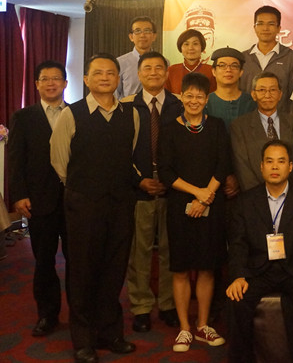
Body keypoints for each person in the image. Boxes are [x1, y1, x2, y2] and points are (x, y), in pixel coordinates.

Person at [50, 53, 140, 363]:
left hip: (120, 204)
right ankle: (83, 339)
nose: (105, 77)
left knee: (114, 269)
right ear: (86, 79)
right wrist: (84, 186)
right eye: (98, 73)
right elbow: (60, 161)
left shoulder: (131, 115)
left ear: (118, 78)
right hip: (83, 204)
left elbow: (129, 155)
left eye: (111, 73)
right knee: (82, 271)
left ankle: (110, 332)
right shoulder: (71, 114)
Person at [226, 139, 293, 363]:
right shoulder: (245, 201)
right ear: (261, 167)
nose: (275, 167)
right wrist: (238, 276)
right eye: (269, 162)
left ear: (290, 167)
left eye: (281, 161)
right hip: (258, 271)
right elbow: (238, 243)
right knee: (236, 300)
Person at [158, 73, 230, 352]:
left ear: (207, 99)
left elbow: (223, 165)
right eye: (189, 95)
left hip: (212, 204)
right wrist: (196, 193)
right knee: (180, 268)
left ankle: (202, 325)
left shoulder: (217, 126)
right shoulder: (169, 129)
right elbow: (166, 172)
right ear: (181, 97)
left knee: (207, 267)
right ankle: (185, 328)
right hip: (180, 206)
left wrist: (207, 195)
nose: (194, 100)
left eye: (199, 96)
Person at [122, 51, 182, 332]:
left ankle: (169, 304)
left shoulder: (179, 106)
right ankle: (142, 306)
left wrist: (171, 180)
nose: (154, 72)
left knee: (172, 249)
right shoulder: (127, 107)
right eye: (148, 68)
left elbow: (186, 149)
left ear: (167, 73)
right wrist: (140, 180)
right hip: (139, 188)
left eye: (159, 68)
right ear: (139, 73)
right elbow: (120, 151)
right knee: (140, 250)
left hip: (173, 189)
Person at [9, 60, 69, 338]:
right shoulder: (23, 117)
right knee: (44, 261)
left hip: (74, 201)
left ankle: (81, 312)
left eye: (56, 78)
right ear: (36, 84)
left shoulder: (78, 113)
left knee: (78, 261)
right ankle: (47, 314)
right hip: (39, 200)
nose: (51, 83)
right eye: (45, 79)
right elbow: (15, 159)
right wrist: (19, 194)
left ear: (65, 83)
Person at [230, 72, 293, 192]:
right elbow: (242, 167)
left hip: (292, 194)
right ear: (253, 95)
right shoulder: (240, 126)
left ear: (280, 94)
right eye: (262, 90)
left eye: (273, 90)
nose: (267, 95)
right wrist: (260, 196)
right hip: (254, 195)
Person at [239, 5, 293, 124]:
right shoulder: (243, 58)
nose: (265, 28)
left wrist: (291, 123)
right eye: (260, 24)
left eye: (271, 24)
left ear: (279, 28)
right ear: (254, 27)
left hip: (281, 123)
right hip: (247, 123)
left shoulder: (290, 57)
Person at [205, 47, 256, 129]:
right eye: (222, 65)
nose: (228, 70)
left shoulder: (251, 102)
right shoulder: (205, 103)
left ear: (241, 72)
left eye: (234, 66)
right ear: (214, 71)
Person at [164, 28, 216, 95]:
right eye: (186, 44)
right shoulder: (171, 70)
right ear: (180, 47)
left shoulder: (211, 71)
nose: (190, 48)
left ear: (202, 47)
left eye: (195, 44)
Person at [116, 16, 157, 99]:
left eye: (147, 31)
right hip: (128, 106)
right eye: (137, 31)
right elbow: (115, 94)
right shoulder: (120, 63)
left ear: (154, 36)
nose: (142, 35)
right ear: (131, 37)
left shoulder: (164, 63)